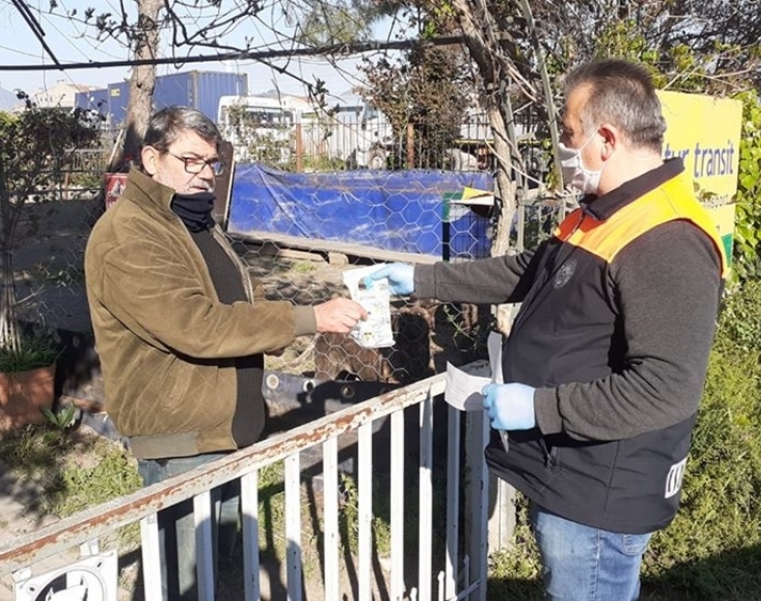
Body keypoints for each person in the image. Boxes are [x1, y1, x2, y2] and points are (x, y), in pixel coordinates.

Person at [367, 58, 727, 601]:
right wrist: (420, 278)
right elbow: (529, 272)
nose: (560, 146)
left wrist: (538, 409)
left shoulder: (665, 240)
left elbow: (665, 388)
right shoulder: (604, 211)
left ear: (605, 139)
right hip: (568, 468)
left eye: (566, 133)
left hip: (600, 488)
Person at [84, 106, 367, 600]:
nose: (204, 175)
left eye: (211, 163)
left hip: (226, 432)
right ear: (151, 158)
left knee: (219, 572)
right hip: (180, 441)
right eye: (190, 160)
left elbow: (235, 304)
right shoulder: (128, 235)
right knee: (185, 582)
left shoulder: (193, 222)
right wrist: (308, 318)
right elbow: (197, 326)